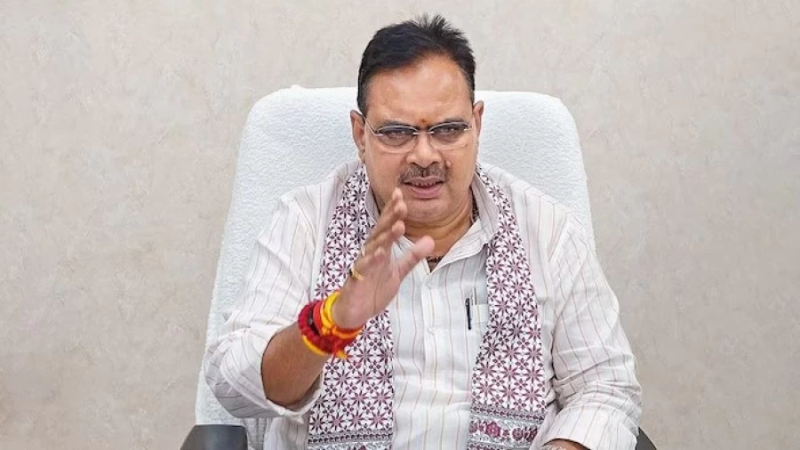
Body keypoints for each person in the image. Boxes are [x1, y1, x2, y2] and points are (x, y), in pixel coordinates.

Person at [204, 14, 641, 450]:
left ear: (477, 124)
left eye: (448, 129)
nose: (425, 155)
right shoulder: (304, 222)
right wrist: (330, 322)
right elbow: (235, 385)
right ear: (360, 135)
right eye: (397, 133)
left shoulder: (548, 231)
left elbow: (605, 389)